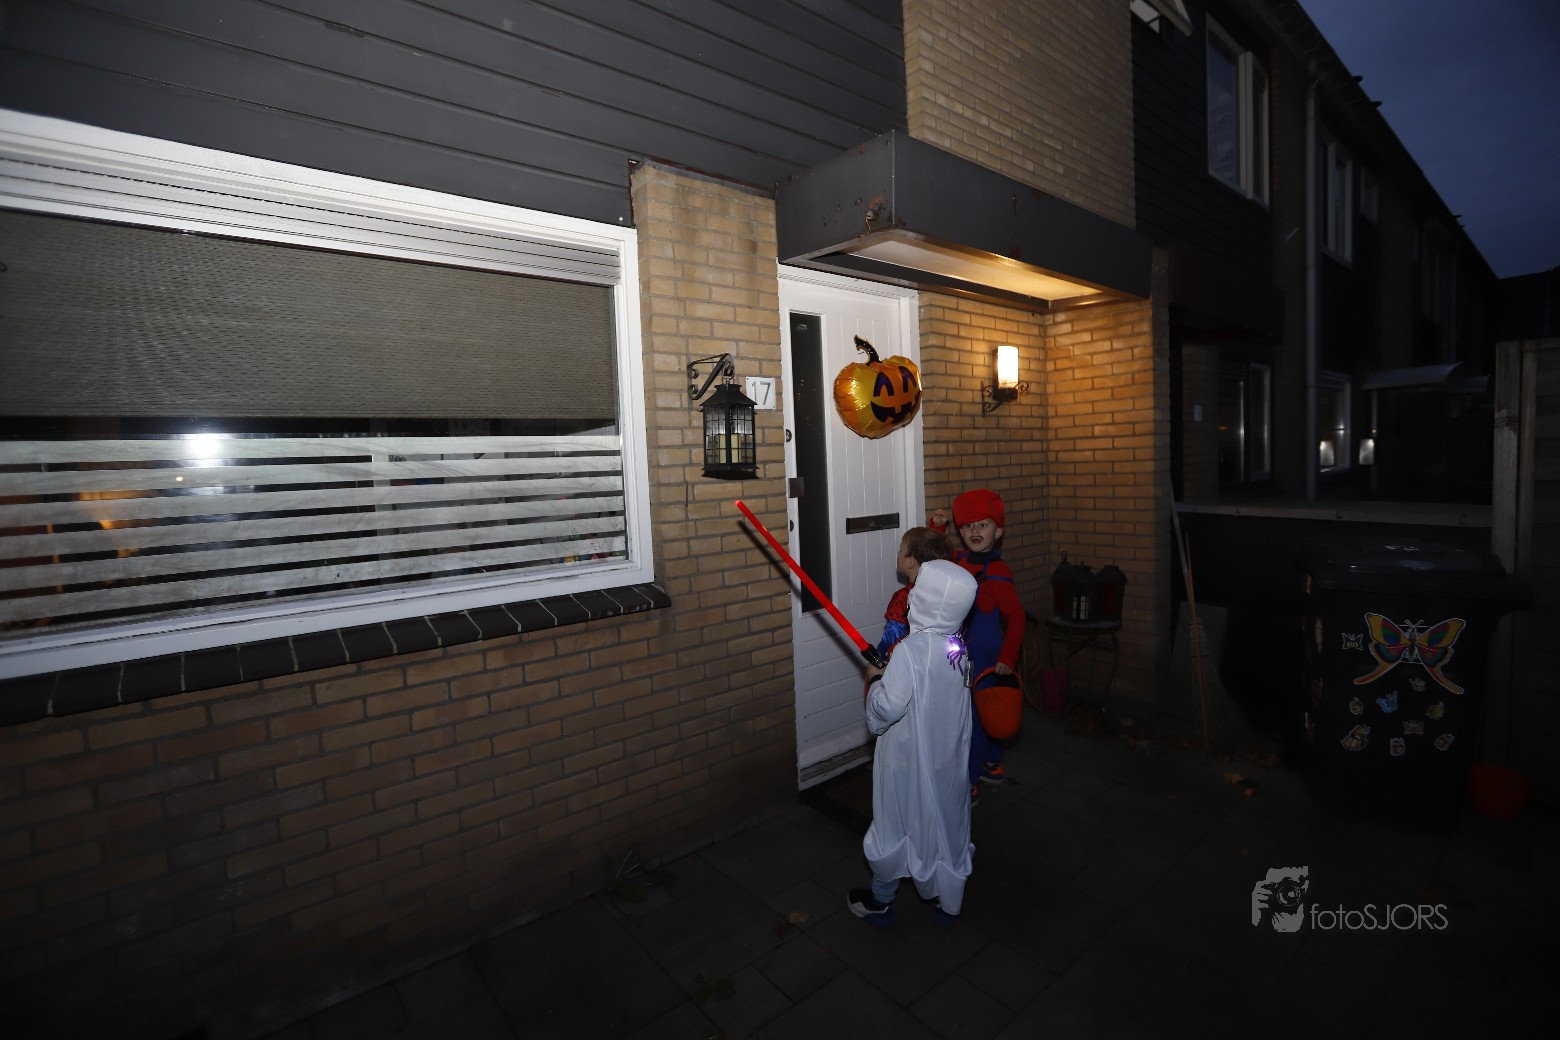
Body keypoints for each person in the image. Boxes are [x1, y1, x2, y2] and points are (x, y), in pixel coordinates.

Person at [848, 559, 979, 928]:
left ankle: (880, 900)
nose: (912, 594)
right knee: (942, 823)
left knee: (896, 822)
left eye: (918, 588)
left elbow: (887, 710)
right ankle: (946, 902)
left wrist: (876, 679)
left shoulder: (910, 651)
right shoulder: (956, 647)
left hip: (906, 760)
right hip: (944, 761)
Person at [931, 488, 1026, 802]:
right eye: (968, 526)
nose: (975, 531)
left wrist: (1008, 657)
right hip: (962, 655)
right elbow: (935, 560)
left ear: (997, 532)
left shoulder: (997, 572)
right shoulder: (958, 560)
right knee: (977, 712)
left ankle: (970, 782)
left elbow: (1017, 617)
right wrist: (937, 529)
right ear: (961, 532)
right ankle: (992, 763)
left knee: (976, 718)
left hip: (985, 659)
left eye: (983, 525)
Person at [875, 526, 955, 662]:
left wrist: (879, 660)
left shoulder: (903, 598)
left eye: (901, 550)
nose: (898, 553)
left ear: (910, 562)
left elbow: (892, 637)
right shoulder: (946, 592)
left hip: (906, 662)